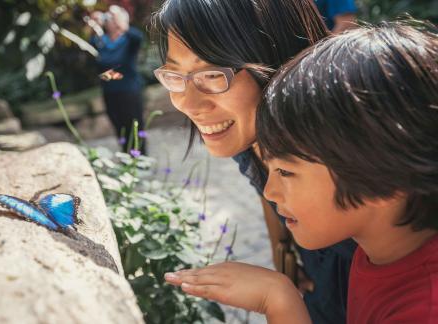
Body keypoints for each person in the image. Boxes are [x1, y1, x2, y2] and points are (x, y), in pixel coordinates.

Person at [166, 22, 438, 323]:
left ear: (383, 179)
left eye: (285, 171)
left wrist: (279, 301)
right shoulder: (377, 252)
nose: (269, 192)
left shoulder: (423, 310)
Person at [151, 1, 356, 323]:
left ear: (278, 58)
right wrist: (282, 250)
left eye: (212, 74)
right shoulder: (247, 138)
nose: (188, 103)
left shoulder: (346, 162)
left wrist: (278, 298)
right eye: (175, 74)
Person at [88, 5, 146, 154]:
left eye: (113, 17)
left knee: (135, 126)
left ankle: (141, 158)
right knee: (119, 128)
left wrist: (122, 23)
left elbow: (138, 38)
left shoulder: (129, 39)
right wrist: (95, 25)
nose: (110, 19)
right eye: (108, 16)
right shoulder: (101, 41)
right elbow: (94, 60)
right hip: (109, 92)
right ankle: (127, 158)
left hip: (129, 92)